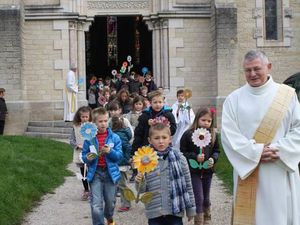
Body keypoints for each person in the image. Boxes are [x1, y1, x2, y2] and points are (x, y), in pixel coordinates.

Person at [221, 50, 300, 225]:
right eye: (248, 70)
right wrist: (255, 152)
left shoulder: (287, 95)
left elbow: (298, 129)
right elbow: (229, 135)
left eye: (257, 69)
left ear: (269, 67)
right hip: (248, 170)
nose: (252, 74)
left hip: (279, 167)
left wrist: (279, 150)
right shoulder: (234, 99)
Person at [135, 123, 196, 225]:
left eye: (164, 137)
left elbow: (188, 186)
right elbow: (142, 190)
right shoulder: (144, 159)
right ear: (150, 140)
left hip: (175, 211)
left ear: (170, 139)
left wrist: (191, 209)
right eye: (156, 138)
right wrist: (139, 181)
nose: (161, 141)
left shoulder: (180, 159)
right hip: (154, 211)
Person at [81, 107, 123, 225]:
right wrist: (87, 158)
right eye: (100, 121)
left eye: (105, 120)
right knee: (96, 204)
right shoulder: (89, 139)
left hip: (110, 174)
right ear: (94, 123)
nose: (103, 124)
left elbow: (119, 156)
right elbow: (84, 155)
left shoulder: (115, 138)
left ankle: (109, 217)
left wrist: (110, 151)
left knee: (110, 202)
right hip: (96, 174)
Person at [180, 107, 219, 225]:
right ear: (197, 119)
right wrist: (194, 156)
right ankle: (199, 221)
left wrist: (213, 158)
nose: (206, 123)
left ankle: (207, 218)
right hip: (194, 171)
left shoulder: (213, 135)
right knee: (199, 198)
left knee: (206, 198)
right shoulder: (188, 134)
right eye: (203, 120)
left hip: (207, 171)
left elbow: (217, 150)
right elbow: (183, 151)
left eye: (209, 121)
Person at [132, 90, 177, 156]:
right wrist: (134, 151)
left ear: (163, 102)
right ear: (150, 103)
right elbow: (138, 134)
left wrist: (166, 127)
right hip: (147, 146)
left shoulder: (168, 114)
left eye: (160, 102)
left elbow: (173, 129)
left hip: (163, 146)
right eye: (155, 102)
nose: (158, 104)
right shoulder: (145, 116)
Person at [69, 106, 92, 200]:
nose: (85, 119)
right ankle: (86, 190)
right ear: (79, 117)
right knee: (84, 173)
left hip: (90, 153)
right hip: (80, 153)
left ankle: (94, 190)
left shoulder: (92, 126)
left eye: (87, 117)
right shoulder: (76, 127)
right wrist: (77, 146)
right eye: (83, 117)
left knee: (92, 171)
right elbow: (72, 140)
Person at [110, 116, 132, 212]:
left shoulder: (118, 135)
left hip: (120, 164)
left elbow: (127, 148)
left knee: (122, 184)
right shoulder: (118, 134)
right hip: (117, 163)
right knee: (118, 184)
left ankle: (126, 203)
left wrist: (126, 159)